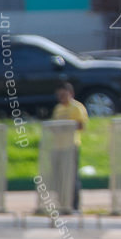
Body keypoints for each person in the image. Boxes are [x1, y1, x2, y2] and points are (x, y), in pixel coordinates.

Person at [52, 82, 88, 212]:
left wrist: (66, 126)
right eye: (59, 95)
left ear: (70, 94)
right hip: (58, 146)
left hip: (70, 146)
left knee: (72, 176)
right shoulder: (58, 108)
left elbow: (81, 126)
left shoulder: (76, 107)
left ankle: (74, 205)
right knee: (60, 176)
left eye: (64, 94)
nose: (61, 97)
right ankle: (63, 203)